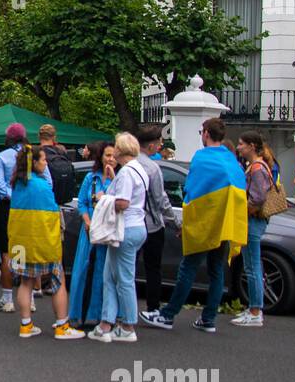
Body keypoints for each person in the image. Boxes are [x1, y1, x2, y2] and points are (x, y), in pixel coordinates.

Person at [141, 118, 247, 334]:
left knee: (188, 268)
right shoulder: (231, 160)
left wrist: (187, 223)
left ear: (206, 133)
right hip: (224, 224)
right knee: (216, 270)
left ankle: (168, 315)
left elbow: (192, 192)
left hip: (205, 224)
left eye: (201, 132)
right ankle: (208, 319)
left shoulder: (201, 158)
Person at [6, 144, 82, 340]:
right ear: (34, 162)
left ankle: (26, 325)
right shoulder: (42, 186)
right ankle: (62, 326)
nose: (46, 163)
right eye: (43, 160)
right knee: (58, 281)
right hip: (42, 243)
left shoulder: (18, 184)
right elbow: (51, 218)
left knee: (25, 282)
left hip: (20, 243)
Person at [88, 133, 149, 342]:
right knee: (111, 276)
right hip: (136, 227)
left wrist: (103, 199)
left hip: (126, 229)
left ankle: (128, 325)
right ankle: (106, 324)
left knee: (123, 279)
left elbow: (123, 202)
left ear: (120, 150)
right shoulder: (138, 170)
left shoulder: (127, 173)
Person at [0, 122, 53, 313]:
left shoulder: (2, 157)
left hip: (8, 207)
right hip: (32, 208)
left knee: (7, 252)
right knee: (27, 249)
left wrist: (14, 195)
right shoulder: (34, 154)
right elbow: (48, 182)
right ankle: (29, 298)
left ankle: (7, 299)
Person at [68, 141, 115, 328]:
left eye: (114, 156)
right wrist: (87, 221)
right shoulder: (90, 177)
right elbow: (82, 203)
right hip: (88, 231)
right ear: (101, 157)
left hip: (107, 233)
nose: (110, 159)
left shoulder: (119, 179)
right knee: (82, 271)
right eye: (107, 155)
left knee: (102, 273)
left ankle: (98, 315)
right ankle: (77, 314)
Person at [136, 125, 178, 315]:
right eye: (159, 142)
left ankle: (123, 308)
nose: (161, 145)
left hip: (131, 223)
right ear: (151, 145)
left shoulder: (129, 163)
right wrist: (174, 221)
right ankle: (153, 308)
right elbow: (161, 199)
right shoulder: (152, 168)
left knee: (128, 268)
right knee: (153, 268)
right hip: (151, 224)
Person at [234, 131, 274, 327]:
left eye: (241, 144)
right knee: (252, 265)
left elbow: (258, 198)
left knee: (252, 266)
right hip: (256, 220)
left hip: (253, 221)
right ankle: (253, 308)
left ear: (251, 146)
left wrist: (242, 210)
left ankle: (255, 310)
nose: (238, 147)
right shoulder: (258, 165)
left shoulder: (257, 168)